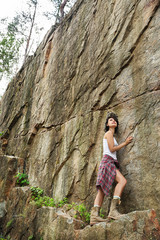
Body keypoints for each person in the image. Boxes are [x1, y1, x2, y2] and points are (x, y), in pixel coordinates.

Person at [90, 112, 133, 225]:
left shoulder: (111, 136)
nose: (113, 121)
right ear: (107, 124)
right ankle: (113, 211)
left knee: (102, 190)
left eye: (114, 120)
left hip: (109, 162)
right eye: (110, 120)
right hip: (108, 161)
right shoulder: (108, 133)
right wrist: (125, 143)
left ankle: (94, 216)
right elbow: (112, 148)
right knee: (122, 181)